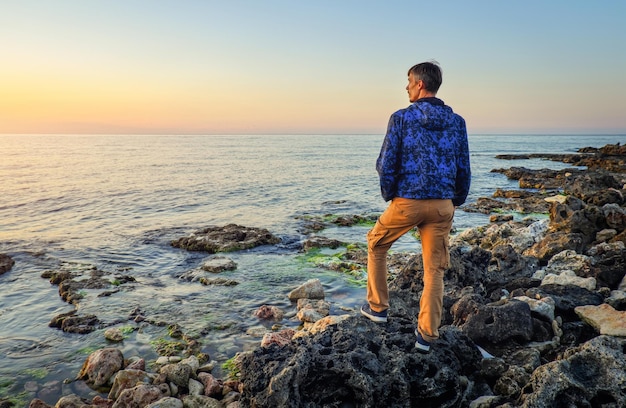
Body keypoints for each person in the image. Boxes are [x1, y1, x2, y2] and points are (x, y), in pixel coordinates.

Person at [360, 61, 471, 354]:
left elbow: (386, 164)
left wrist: (391, 195)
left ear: (420, 84)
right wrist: (453, 201)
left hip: (408, 202)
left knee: (376, 243)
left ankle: (377, 307)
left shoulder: (401, 118)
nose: (406, 86)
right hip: (442, 207)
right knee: (434, 270)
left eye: (408, 81)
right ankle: (426, 335)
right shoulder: (457, 122)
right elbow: (464, 169)